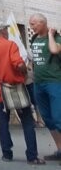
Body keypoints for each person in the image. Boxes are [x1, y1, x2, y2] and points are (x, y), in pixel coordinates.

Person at [0, 21, 44, 164]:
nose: (7, 32)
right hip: (16, 88)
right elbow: (18, 63)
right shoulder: (10, 45)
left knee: (3, 123)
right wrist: (25, 72)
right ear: (2, 31)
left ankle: (7, 154)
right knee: (27, 121)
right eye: (6, 29)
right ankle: (32, 155)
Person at [28, 13, 61, 161]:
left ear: (43, 23)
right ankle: (59, 149)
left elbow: (54, 50)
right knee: (47, 118)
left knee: (58, 117)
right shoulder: (34, 39)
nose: (31, 27)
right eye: (31, 24)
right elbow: (35, 59)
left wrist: (51, 35)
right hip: (39, 83)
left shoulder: (56, 38)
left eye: (34, 24)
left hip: (54, 82)